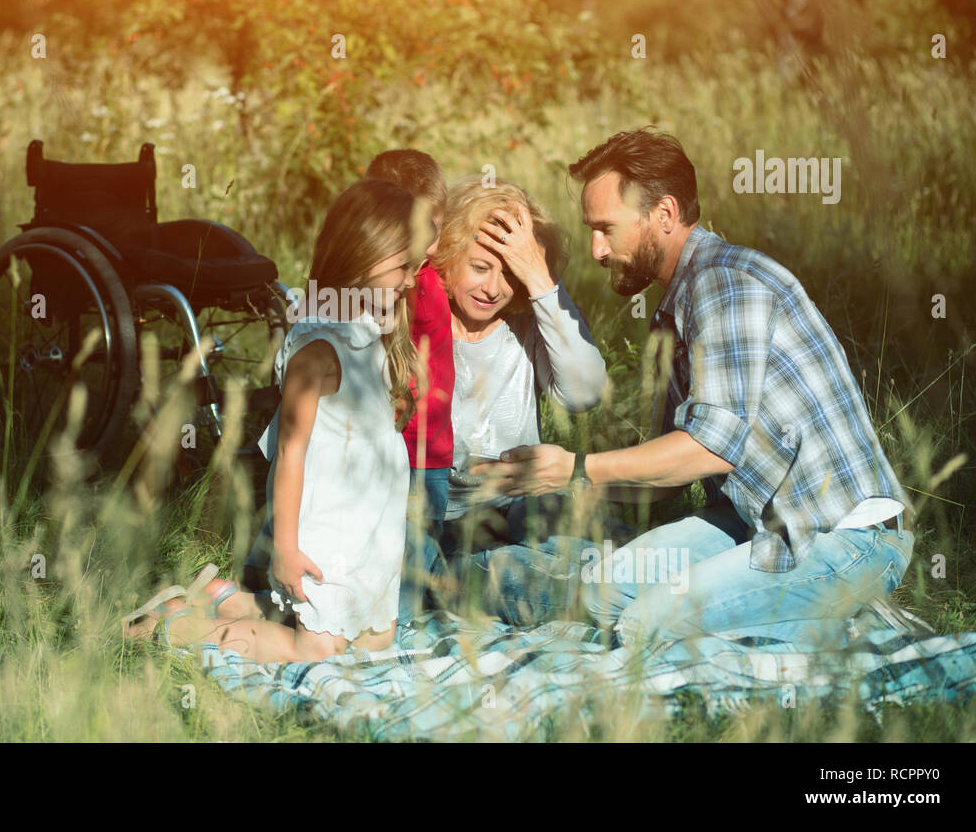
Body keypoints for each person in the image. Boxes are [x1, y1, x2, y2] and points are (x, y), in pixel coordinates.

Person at [482, 128, 914, 648]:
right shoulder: (675, 306)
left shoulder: (725, 285)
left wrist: (576, 467)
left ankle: (853, 619)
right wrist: (549, 482)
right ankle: (789, 611)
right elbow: (667, 477)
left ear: (663, 214)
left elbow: (709, 451)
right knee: (602, 596)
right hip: (753, 524)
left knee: (647, 625)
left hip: (839, 538)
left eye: (606, 229)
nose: (597, 249)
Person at [126, 179, 424, 661]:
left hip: (369, 522)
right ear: (363, 255)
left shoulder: (372, 329)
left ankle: (228, 599)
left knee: (377, 639)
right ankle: (176, 629)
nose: (412, 280)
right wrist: (284, 546)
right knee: (317, 651)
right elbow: (290, 451)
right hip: (326, 525)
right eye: (403, 266)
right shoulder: (320, 350)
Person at [427, 177, 611, 624]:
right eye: (480, 267)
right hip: (443, 519)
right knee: (509, 580)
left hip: (519, 505)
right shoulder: (421, 321)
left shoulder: (526, 322)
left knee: (594, 542)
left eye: (510, 272)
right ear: (448, 257)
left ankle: (609, 586)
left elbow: (584, 393)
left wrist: (541, 284)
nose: (493, 288)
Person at [363, 150, 455, 633]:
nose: (427, 244)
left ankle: (404, 629)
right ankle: (395, 626)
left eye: (434, 228)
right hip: (395, 449)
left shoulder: (425, 282)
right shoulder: (394, 283)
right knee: (390, 551)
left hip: (428, 455)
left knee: (414, 552)